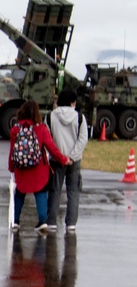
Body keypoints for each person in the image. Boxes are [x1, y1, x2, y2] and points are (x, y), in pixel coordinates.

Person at [8, 100, 72, 234]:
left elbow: (12, 151)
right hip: (38, 169)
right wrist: (63, 159)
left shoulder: (15, 129)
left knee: (19, 194)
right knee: (41, 192)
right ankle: (42, 221)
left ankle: (16, 221)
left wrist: (12, 167)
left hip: (21, 169)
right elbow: (52, 148)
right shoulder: (42, 129)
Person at [47, 88, 88, 232]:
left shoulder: (50, 117)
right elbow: (83, 140)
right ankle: (71, 223)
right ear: (72, 102)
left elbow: (48, 141)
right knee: (73, 191)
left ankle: (51, 221)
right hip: (74, 161)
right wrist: (72, 157)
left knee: (54, 190)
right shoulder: (80, 118)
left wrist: (60, 157)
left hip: (56, 160)